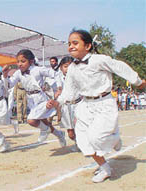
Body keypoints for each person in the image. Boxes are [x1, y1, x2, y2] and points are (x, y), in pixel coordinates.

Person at [46, 29, 146, 183]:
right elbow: (69, 90)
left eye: (75, 43)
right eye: (69, 44)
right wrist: (57, 102)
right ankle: (105, 168)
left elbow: (119, 67)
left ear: (87, 46)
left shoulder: (99, 60)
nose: (71, 46)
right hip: (85, 106)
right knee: (83, 141)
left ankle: (114, 138)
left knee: (96, 138)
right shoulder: (72, 68)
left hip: (104, 103)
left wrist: (137, 81)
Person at [3, 49, 66, 147]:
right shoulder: (18, 73)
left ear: (31, 61)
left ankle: (45, 130)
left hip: (41, 98)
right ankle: (59, 134)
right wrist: (5, 75)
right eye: (18, 61)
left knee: (31, 120)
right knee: (44, 122)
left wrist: (59, 87)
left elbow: (55, 74)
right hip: (31, 100)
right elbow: (9, 85)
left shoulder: (38, 70)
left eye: (23, 61)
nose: (20, 64)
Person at [57, 56, 81, 152]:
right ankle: (77, 143)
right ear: (61, 68)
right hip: (65, 107)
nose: (68, 69)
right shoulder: (58, 78)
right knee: (70, 133)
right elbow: (58, 90)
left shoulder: (78, 77)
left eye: (70, 66)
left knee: (80, 127)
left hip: (78, 104)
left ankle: (85, 144)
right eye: (66, 66)